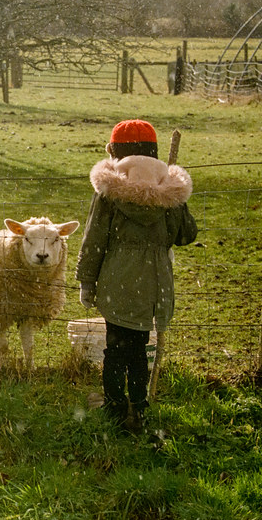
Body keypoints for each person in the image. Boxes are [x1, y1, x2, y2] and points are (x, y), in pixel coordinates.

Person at [76, 119, 198, 433]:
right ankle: (140, 406)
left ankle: (115, 407)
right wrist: (175, 198)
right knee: (140, 348)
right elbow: (185, 235)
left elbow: (94, 240)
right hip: (154, 283)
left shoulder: (109, 192)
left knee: (116, 347)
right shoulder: (168, 191)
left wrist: (87, 282)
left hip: (117, 281)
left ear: (116, 153)